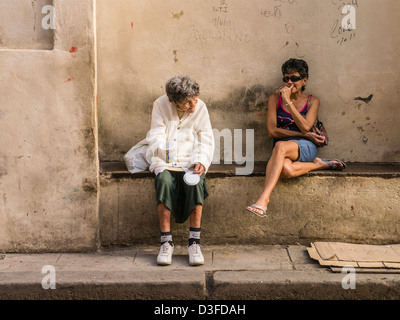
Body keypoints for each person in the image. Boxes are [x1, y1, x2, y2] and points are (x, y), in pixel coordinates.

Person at [246, 58, 346, 218]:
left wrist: (288, 102)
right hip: (287, 147)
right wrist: (302, 134)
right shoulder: (274, 98)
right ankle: (318, 165)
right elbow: (272, 131)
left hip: (306, 146)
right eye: (286, 78)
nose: (289, 82)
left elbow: (306, 126)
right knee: (285, 169)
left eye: (294, 78)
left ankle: (263, 199)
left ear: (304, 80)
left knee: (279, 147)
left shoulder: (312, 101)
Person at [147, 75, 215, 266]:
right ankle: (166, 242)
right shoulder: (160, 105)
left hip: (191, 160)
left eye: (194, 99)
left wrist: (200, 160)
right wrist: (165, 152)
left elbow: (206, 138)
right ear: (174, 100)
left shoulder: (199, 105)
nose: (193, 106)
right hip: (165, 160)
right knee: (164, 182)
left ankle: (194, 243)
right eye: (187, 103)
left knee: (196, 183)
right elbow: (156, 135)